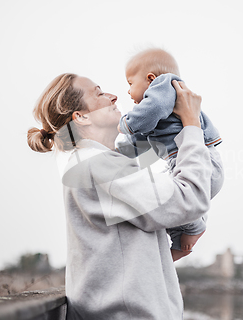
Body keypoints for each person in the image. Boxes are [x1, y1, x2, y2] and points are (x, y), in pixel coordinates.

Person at [27, 73, 214, 320]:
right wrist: (191, 126)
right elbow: (190, 200)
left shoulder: (93, 163)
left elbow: (163, 211)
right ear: (81, 117)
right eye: (99, 93)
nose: (113, 96)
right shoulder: (98, 166)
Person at [117, 48, 224, 261]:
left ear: (150, 79)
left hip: (201, 161)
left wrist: (125, 124)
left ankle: (194, 226)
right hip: (196, 162)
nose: (128, 92)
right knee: (168, 208)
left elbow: (150, 111)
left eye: (130, 84)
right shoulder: (164, 111)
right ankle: (179, 241)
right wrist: (119, 153)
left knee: (170, 204)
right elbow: (142, 141)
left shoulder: (163, 86)